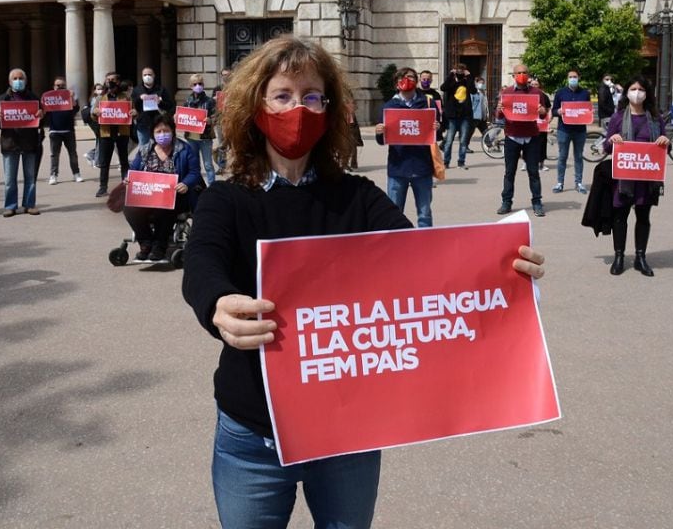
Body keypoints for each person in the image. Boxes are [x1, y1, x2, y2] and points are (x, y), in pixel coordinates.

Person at [183, 37, 546, 528]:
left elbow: (423, 260)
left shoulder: (358, 197)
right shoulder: (225, 200)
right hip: (253, 433)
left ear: (330, 109)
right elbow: (202, 262)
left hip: (347, 433)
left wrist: (502, 268)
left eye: (312, 96)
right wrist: (217, 303)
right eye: (283, 95)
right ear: (255, 107)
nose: (299, 108)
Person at [602, 76, 670, 276]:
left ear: (647, 94)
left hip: (646, 178)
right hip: (624, 178)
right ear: (627, 93)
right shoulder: (618, 117)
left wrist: (665, 140)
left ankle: (641, 257)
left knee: (643, 216)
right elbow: (606, 146)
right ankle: (619, 256)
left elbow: (665, 145)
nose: (637, 93)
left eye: (641, 89)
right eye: (633, 89)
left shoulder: (655, 119)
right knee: (620, 216)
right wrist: (613, 140)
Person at [124, 113, 201, 261]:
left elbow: (194, 172)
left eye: (166, 131)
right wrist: (128, 179)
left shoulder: (185, 149)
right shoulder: (145, 150)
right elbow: (133, 171)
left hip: (175, 195)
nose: (162, 134)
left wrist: (185, 184)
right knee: (129, 208)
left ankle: (159, 245)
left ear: (172, 131)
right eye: (158, 131)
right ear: (152, 134)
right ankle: (145, 243)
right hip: (148, 196)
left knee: (164, 208)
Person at [375, 66, 436, 227]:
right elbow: (382, 141)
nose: (407, 80)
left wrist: (437, 127)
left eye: (411, 77)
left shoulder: (427, 103)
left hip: (422, 166)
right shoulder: (388, 107)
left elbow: (437, 135)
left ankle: (426, 246)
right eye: (402, 78)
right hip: (398, 168)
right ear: (396, 83)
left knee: (425, 214)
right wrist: (379, 132)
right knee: (394, 213)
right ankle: (396, 246)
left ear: (416, 82)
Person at [495, 64, 548, 217]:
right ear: (513, 75)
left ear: (528, 74)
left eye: (524, 72)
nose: (522, 75)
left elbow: (543, 115)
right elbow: (499, 116)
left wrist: (543, 112)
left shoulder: (537, 93)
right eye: (519, 73)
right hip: (512, 136)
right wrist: (499, 109)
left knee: (533, 172)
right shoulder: (507, 92)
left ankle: (537, 202)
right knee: (509, 172)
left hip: (531, 137)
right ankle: (506, 202)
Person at [0, 68, 45, 217]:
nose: (18, 81)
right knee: (9, 179)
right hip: (10, 143)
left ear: (26, 81)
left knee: (30, 178)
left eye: (21, 78)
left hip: (30, 143)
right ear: (9, 82)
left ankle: (29, 204)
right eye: (15, 79)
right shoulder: (3, 99)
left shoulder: (33, 97)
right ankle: (10, 206)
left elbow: (41, 122)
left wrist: (42, 115)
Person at [92, 72, 132, 197]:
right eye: (108, 80)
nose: (110, 82)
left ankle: (125, 186)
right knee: (105, 162)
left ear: (118, 82)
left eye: (113, 79)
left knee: (124, 160)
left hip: (122, 132)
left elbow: (133, 111)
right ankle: (103, 187)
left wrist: (134, 112)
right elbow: (93, 115)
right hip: (106, 133)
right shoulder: (100, 98)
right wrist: (95, 112)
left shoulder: (125, 97)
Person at [551, 69, 591, 193]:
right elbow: (553, 110)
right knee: (562, 156)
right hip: (564, 130)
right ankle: (560, 183)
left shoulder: (585, 93)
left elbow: (588, 110)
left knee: (578, 157)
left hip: (580, 130)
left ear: (579, 78)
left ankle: (579, 183)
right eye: (570, 77)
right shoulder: (560, 93)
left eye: (575, 76)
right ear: (567, 78)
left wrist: (588, 113)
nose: (573, 78)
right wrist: (558, 112)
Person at [46, 76, 84, 185]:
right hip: (55, 131)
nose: (60, 87)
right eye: (58, 85)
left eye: (62, 85)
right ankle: (53, 175)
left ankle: (76, 174)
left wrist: (71, 97)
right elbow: (45, 112)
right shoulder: (50, 99)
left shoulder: (70, 98)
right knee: (54, 155)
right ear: (54, 87)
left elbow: (75, 109)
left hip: (69, 130)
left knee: (73, 154)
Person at [441, 63, 477, 169]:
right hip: (452, 115)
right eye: (458, 70)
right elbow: (443, 87)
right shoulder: (451, 80)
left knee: (463, 141)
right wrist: (450, 76)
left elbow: (473, 91)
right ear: (455, 70)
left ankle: (461, 161)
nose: (460, 72)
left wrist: (470, 76)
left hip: (465, 115)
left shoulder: (467, 81)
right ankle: (446, 162)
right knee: (449, 141)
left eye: (462, 70)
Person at [184, 73, 217, 185]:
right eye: (195, 84)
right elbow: (182, 116)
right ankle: (198, 186)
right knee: (194, 164)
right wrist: (177, 117)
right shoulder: (187, 101)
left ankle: (212, 187)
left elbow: (216, 117)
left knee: (208, 165)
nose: (198, 86)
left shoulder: (209, 101)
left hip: (205, 138)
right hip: (191, 138)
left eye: (200, 83)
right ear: (190, 86)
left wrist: (210, 121)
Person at [132, 67, 174, 148]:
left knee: (159, 147)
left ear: (154, 76)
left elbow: (170, 105)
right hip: (143, 124)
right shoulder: (137, 90)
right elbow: (133, 105)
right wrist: (140, 98)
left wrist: (160, 102)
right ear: (142, 76)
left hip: (158, 123)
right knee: (143, 147)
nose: (147, 76)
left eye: (149, 74)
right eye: (145, 75)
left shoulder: (161, 89)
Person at [420, 70, 444, 143]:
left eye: (428, 79)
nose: (426, 81)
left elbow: (440, 109)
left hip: (431, 126)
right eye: (424, 79)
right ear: (419, 79)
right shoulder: (415, 93)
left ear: (431, 80)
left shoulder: (436, 94)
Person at [469, 76, 488, 152]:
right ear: (476, 83)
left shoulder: (483, 92)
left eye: (483, 83)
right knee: (470, 132)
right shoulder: (473, 93)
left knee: (486, 131)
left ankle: (489, 144)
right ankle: (465, 146)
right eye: (480, 83)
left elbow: (484, 105)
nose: (482, 84)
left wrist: (486, 114)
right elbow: (471, 104)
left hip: (482, 116)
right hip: (474, 116)